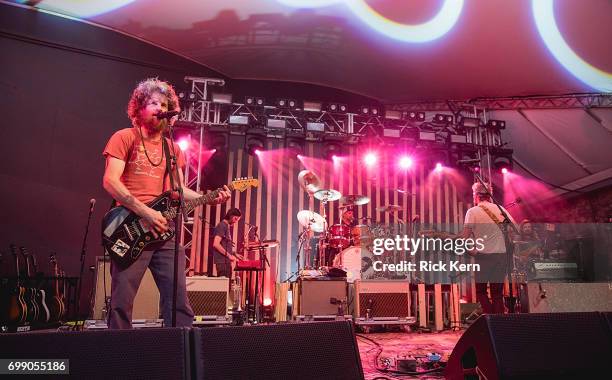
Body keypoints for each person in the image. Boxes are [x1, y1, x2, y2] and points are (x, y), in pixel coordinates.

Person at [102, 78, 231, 329]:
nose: (159, 107)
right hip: (130, 228)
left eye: (163, 104)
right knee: (121, 303)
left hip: (163, 230)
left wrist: (211, 198)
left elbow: (178, 191)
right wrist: (145, 212)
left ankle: (180, 353)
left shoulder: (173, 149)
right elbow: (110, 181)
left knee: (179, 302)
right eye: (152, 102)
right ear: (139, 108)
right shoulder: (124, 137)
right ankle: (116, 358)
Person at [459, 182, 517, 314]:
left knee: (481, 291)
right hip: (501, 257)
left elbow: (465, 237)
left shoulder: (472, 211)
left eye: (474, 194)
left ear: (477, 195)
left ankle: (490, 318)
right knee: (497, 293)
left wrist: (470, 250)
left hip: (483, 257)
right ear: (489, 196)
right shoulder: (501, 209)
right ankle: (498, 323)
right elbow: (514, 229)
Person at [212, 208, 242, 279]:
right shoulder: (222, 226)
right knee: (224, 287)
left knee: (227, 286)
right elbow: (216, 244)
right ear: (231, 216)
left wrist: (234, 254)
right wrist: (229, 256)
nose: (236, 221)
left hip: (225, 262)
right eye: (235, 218)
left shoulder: (226, 226)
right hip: (222, 262)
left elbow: (224, 245)